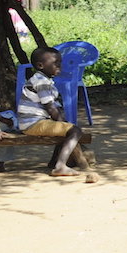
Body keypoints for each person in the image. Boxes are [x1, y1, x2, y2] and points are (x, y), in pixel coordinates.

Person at [16, 46, 96, 178]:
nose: (59, 66)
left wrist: (63, 124)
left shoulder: (44, 80)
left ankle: (54, 162)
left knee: (64, 129)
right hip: (33, 123)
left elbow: (54, 108)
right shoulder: (41, 82)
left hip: (33, 122)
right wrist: (65, 125)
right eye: (55, 63)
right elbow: (51, 108)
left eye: (60, 63)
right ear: (40, 65)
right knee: (74, 131)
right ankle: (60, 166)